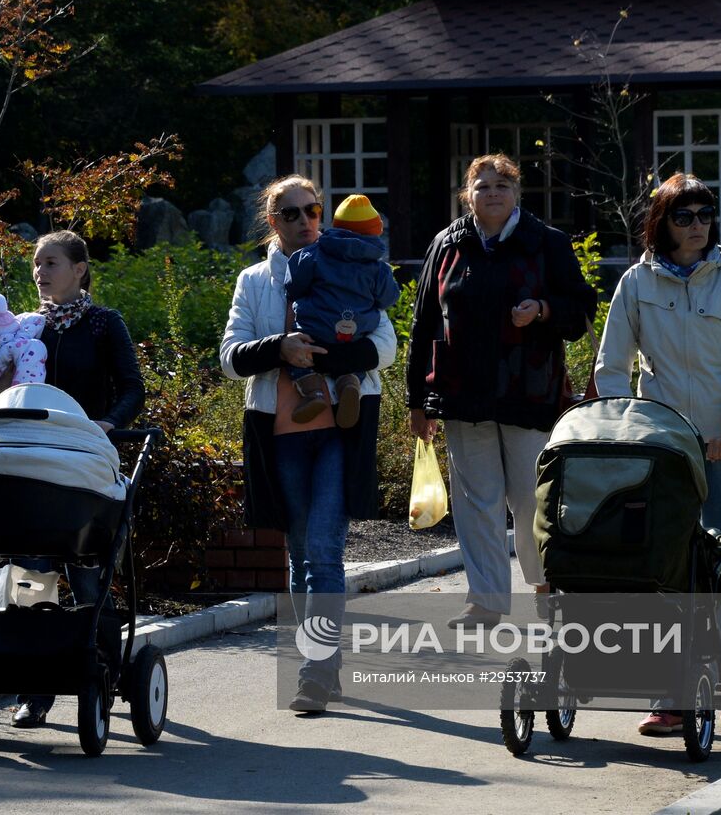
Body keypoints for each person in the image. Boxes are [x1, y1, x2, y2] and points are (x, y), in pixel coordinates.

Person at [594, 172, 721, 736]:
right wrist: (623, 430)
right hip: (662, 451)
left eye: (706, 213)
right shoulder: (636, 284)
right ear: (663, 222)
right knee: (663, 571)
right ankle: (670, 695)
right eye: (685, 216)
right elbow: (610, 367)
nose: (698, 225)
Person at [220, 175, 397, 714]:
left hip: (342, 431)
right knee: (298, 554)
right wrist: (280, 347)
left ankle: (315, 672)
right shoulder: (255, 281)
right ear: (272, 222)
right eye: (290, 213)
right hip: (280, 433)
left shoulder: (348, 260)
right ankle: (323, 663)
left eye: (312, 210)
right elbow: (229, 356)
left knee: (322, 552)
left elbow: (385, 346)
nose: (304, 222)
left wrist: (320, 357)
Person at [407, 153, 596, 628]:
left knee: (532, 499)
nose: (492, 193)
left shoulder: (545, 242)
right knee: (477, 502)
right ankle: (486, 600)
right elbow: (424, 322)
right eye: (482, 186)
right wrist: (417, 400)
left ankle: (546, 586)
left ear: (517, 193)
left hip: (529, 393)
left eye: (502, 185)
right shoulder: (446, 245)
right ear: (466, 194)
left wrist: (545, 309)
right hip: (461, 394)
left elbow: (581, 310)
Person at [11, 229, 144, 728]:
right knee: (32, 574)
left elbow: (133, 388)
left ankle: (103, 672)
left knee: (89, 574)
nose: (40, 273)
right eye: (37, 264)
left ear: (80, 269)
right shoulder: (26, 331)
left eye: (51, 263)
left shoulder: (104, 324)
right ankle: (34, 691)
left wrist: (108, 423)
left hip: (87, 461)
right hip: (34, 465)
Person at [285, 193, 400, 428]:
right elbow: (389, 298)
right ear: (374, 231)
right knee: (353, 359)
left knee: (299, 358)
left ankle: (312, 393)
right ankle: (350, 383)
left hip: (315, 328)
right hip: (355, 331)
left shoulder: (312, 254)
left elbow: (294, 286)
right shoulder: (377, 268)